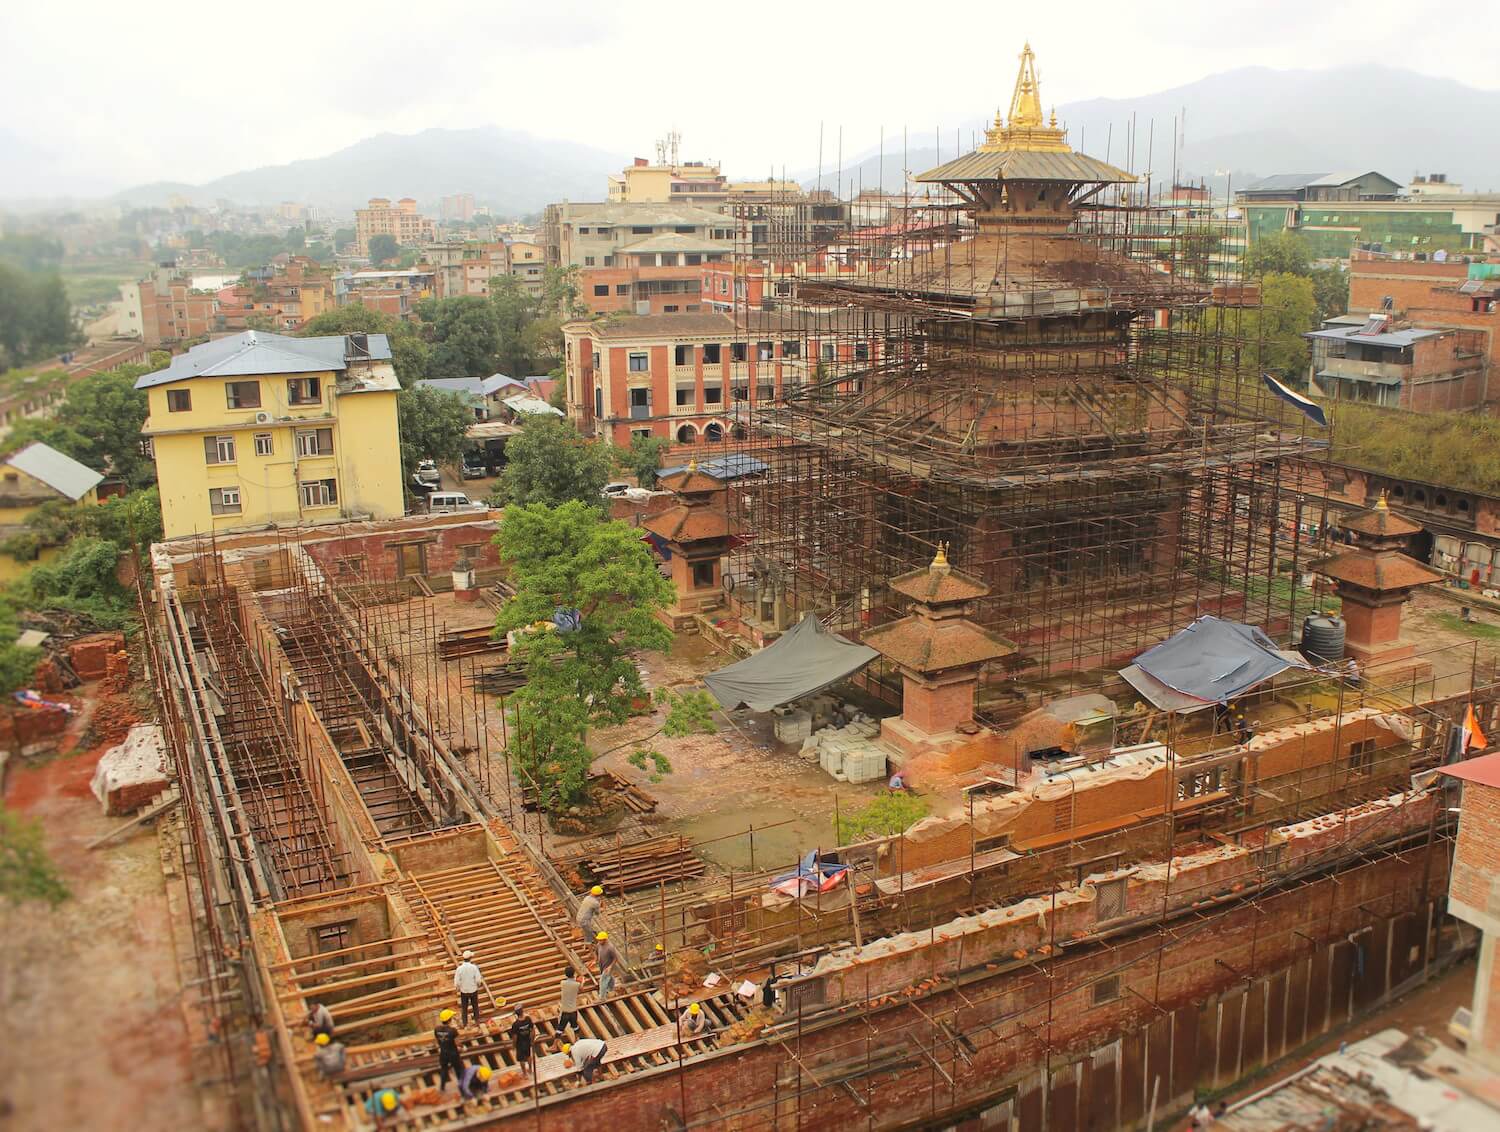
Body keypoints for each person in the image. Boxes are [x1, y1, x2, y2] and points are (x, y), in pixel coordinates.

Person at [435, 1008, 464, 1091]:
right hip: (453, 1054)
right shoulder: (453, 1031)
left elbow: (438, 1041)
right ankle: (462, 1088)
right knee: (458, 1070)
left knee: (444, 1070)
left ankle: (442, 1087)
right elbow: (458, 1043)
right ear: (449, 1019)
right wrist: (462, 1047)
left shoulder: (437, 1029)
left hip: (443, 1053)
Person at [454, 950, 484, 1026]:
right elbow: (478, 979)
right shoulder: (474, 967)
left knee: (464, 1008)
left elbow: (457, 981)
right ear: (470, 958)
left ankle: (465, 1023)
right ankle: (477, 1021)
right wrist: (478, 984)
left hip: (464, 991)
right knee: (475, 1006)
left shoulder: (459, 969)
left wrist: (458, 987)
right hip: (473, 990)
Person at [508, 1004, 535, 1076]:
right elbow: (532, 1030)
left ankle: (525, 1074)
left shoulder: (515, 1024)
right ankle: (530, 1070)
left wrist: (513, 1045)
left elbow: (515, 1037)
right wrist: (532, 1040)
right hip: (528, 1042)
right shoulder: (528, 1019)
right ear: (522, 1011)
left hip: (520, 1044)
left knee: (521, 1059)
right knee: (528, 1056)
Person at [557, 966, 580, 1036]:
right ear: (574, 973)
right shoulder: (577, 984)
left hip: (565, 1011)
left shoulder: (562, 983)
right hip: (573, 1010)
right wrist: (582, 981)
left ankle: (555, 1042)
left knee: (560, 1029)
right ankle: (577, 1039)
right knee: (575, 1027)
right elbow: (581, 988)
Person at [595, 931, 619, 998]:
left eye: (601, 940)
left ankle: (602, 997)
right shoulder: (598, 945)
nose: (599, 941)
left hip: (608, 967)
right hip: (602, 965)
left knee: (603, 981)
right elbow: (596, 952)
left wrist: (610, 967)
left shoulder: (610, 948)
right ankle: (611, 989)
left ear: (605, 939)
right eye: (599, 940)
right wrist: (596, 959)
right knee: (610, 977)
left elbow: (616, 958)